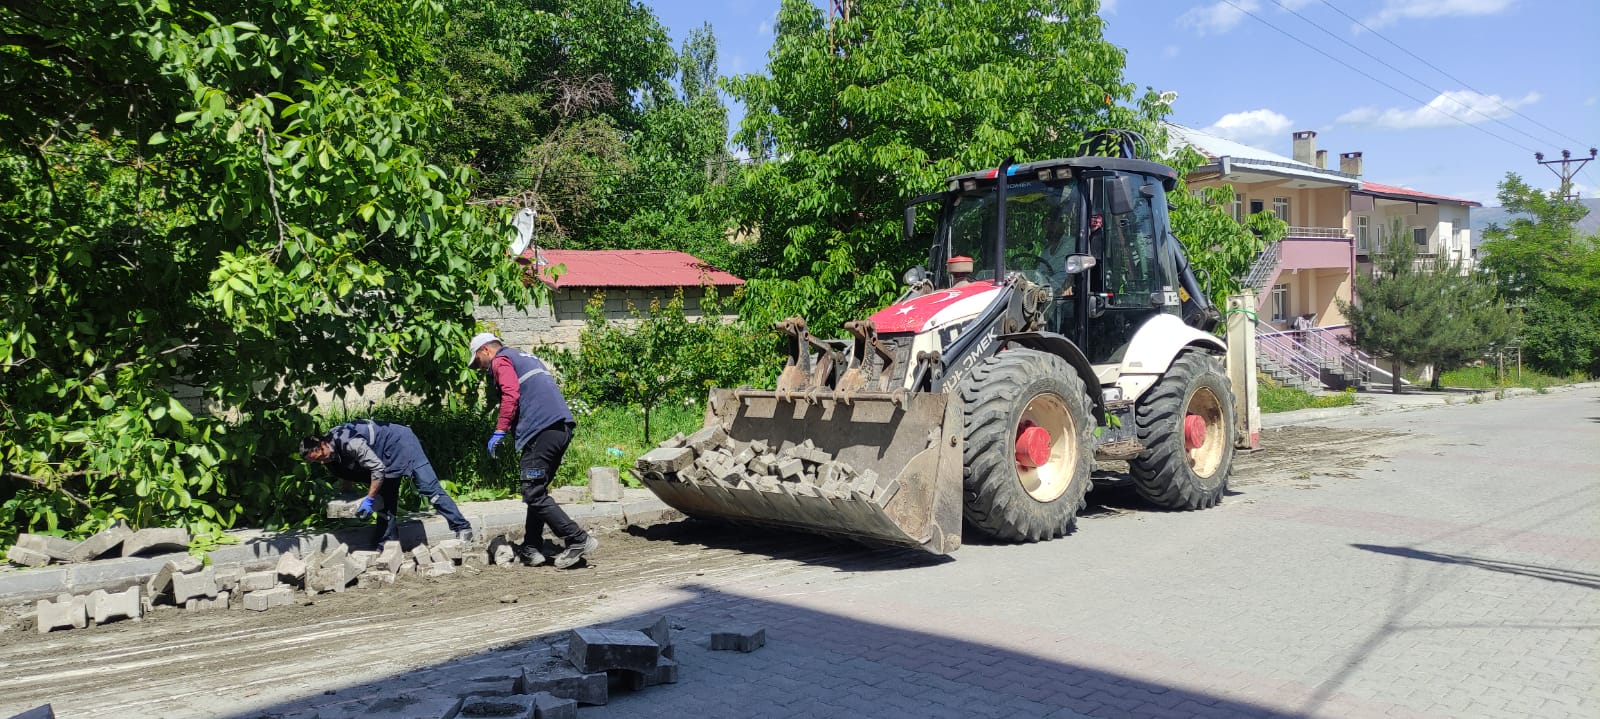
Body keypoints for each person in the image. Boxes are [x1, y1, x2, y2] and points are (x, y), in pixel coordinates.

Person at [469, 332, 597, 569]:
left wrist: (500, 430)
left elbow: (510, 394)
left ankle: (577, 538)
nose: (479, 367)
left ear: (486, 350)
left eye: (478, 361)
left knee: (533, 492)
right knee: (536, 491)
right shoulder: (525, 357)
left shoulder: (501, 360)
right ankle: (531, 547)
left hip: (541, 431)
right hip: (560, 429)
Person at [300, 420, 475, 546]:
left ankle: (462, 527)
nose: (322, 461)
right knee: (386, 500)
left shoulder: (350, 442)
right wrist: (347, 495)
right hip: (382, 456)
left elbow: (377, 469)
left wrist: (369, 499)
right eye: (316, 461)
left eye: (321, 457)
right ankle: (387, 544)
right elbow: (346, 469)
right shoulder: (330, 456)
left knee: (429, 488)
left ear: (323, 444)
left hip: (401, 444)